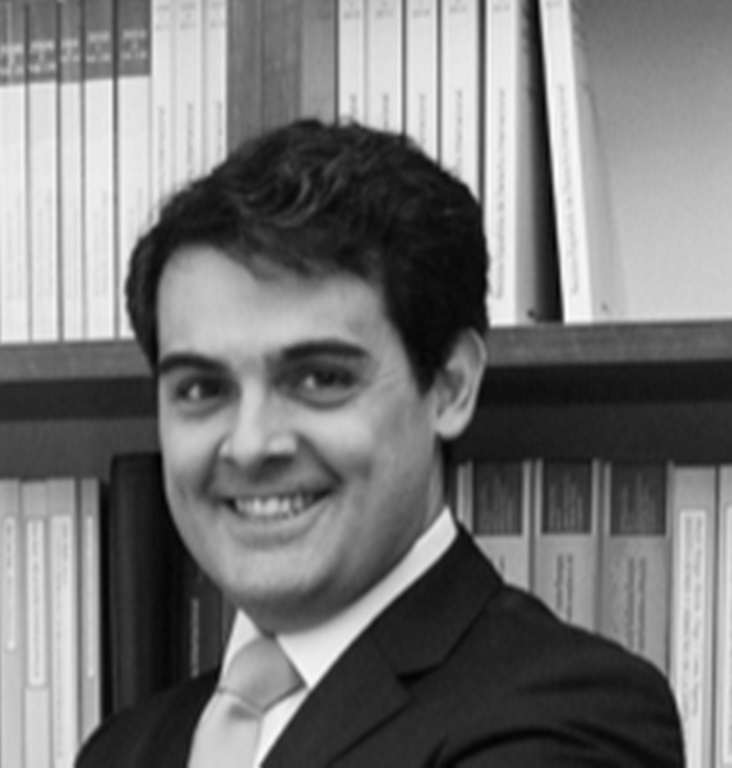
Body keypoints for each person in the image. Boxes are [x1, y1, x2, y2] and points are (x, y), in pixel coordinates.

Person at [77, 119, 684, 767]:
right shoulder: (122, 750)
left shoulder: (570, 717)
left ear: (450, 386)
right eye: (202, 389)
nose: (250, 445)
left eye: (319, 379)